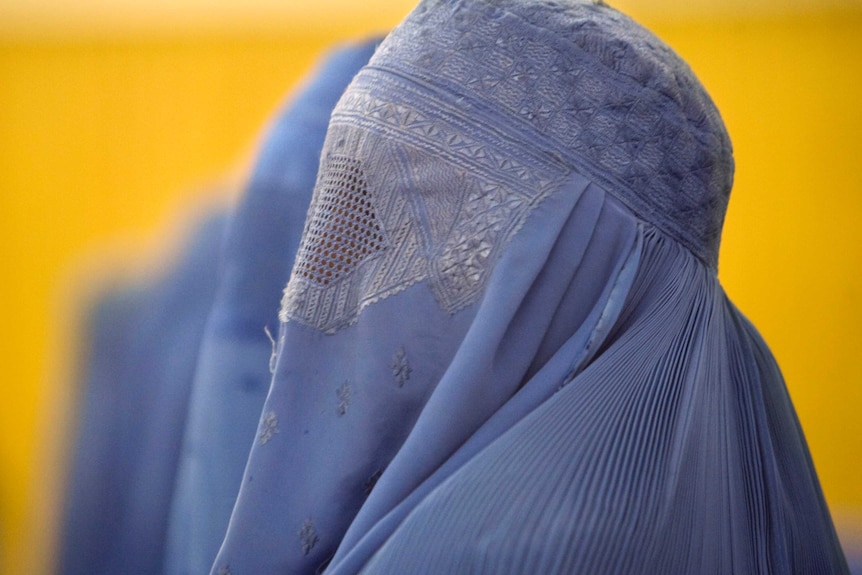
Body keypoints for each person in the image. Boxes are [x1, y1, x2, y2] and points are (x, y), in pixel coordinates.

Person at [213, 0, 850, 573]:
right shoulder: (756, 486)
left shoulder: (485, 553)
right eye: (337, 212)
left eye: (398, 213)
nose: (325, 267)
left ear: (567, 269)